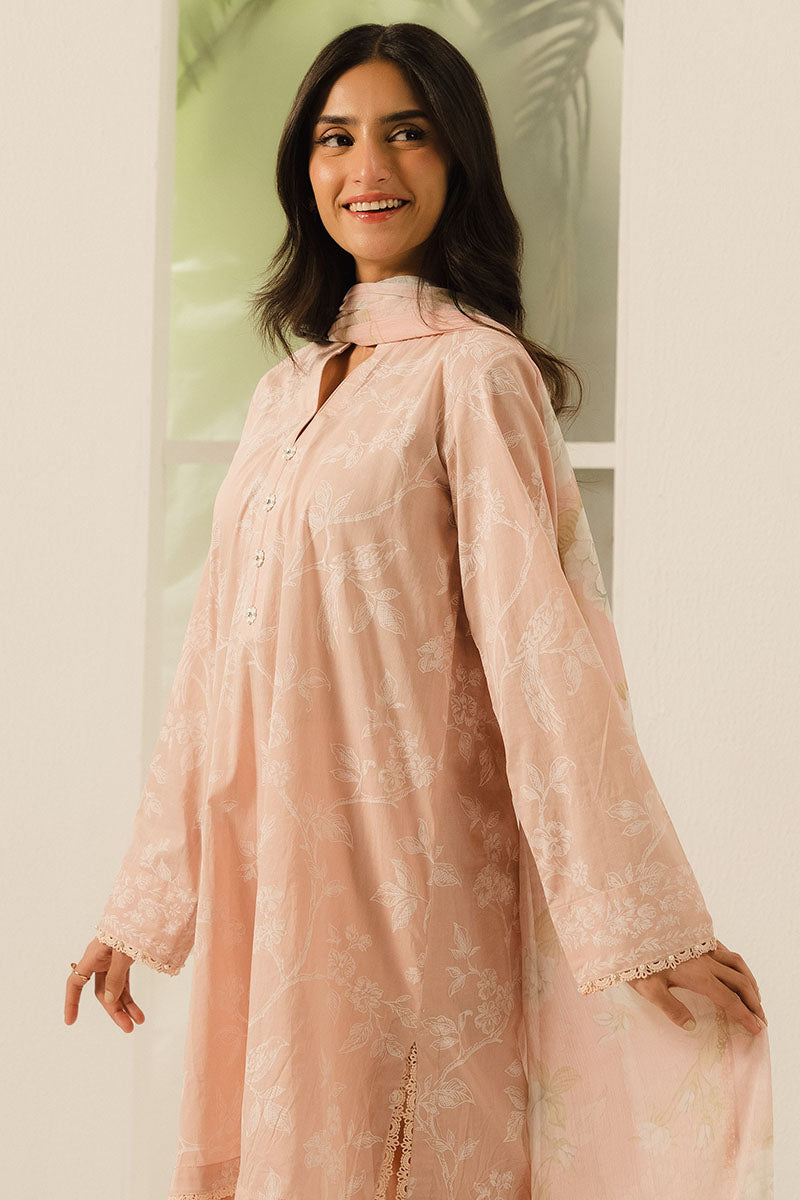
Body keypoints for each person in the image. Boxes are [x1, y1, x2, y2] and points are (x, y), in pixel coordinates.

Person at [65, 22, 773, 1200]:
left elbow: (543, 654)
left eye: (405, 133)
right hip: (275, 889)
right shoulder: (284, 393)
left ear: (457, 161)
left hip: (412, 886)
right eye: (335, 138)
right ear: (304, 166)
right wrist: (141, 905)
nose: (367, 168)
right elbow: (215, 663)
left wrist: (644, 925)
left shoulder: (473, 372)